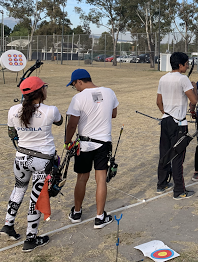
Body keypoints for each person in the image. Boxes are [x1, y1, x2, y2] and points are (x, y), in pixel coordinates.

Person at [1, 77, 62, 251]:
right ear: (40, 91)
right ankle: (30, 238)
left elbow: (11, 133)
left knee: (18, 189)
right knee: (36, 198)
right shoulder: (50, 110)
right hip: (42, 161)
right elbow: (60, 121)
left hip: (21, 158)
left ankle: (8, 225)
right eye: (45, 88)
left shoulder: (13, 110)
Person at [66, 69, 119, 227]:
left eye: (74, 84)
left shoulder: (78, 97)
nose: (75, 87)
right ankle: (99, 217)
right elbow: (114, 113)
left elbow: (72, 124)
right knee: (101, 179)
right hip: (104, 142)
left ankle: (76, 213)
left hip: (84, 143)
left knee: (82, 178)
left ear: (79, 81)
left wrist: (67, 141)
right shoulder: (109, 92)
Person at [155, 52, 197, 200]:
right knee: (178, 156)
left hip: (165, 120)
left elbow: (159, 101)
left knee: (165, 153)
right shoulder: (183, 79)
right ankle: (179, 190)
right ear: (180, 65)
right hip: (178, 123)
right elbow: (193, 100)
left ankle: (162, 184)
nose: (187, 66)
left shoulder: (163, 78)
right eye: (186, 64)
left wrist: (164, 112)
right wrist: (193, 88)